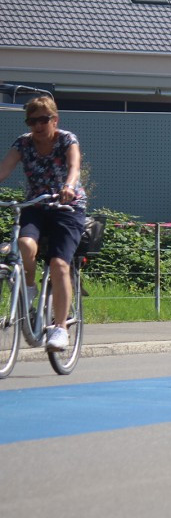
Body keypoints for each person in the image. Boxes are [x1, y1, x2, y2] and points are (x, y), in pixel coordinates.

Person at [0, 95, 87, 351]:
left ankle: (60, 328)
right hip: (36, 205)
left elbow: (74, 166)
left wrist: (69, 186)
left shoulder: (66, 139)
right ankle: (28, 287)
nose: (37, 126)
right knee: (25, 244)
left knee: (59, 264)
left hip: (66, 208)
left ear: (54, 119)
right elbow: (4, 169)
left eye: (42, 120)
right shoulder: (23, 144)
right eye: (32, 121)